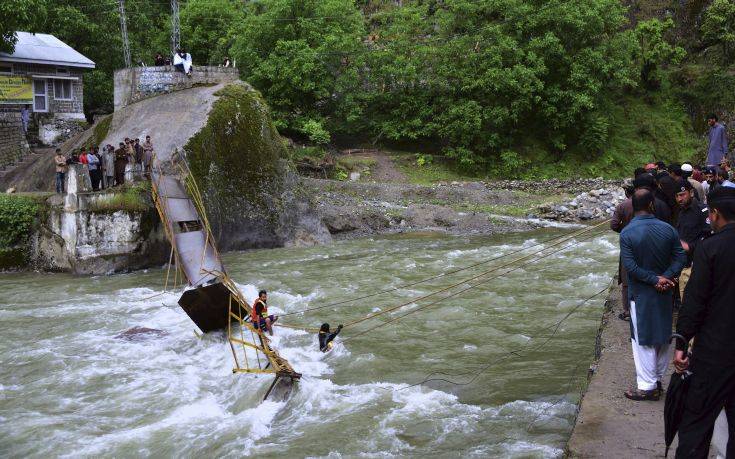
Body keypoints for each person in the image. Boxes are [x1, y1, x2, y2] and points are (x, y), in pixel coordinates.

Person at [673, 186, 735, 458]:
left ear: (716, 214)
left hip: (714, 351)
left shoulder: (710, 248)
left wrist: (682, 340)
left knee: (696, 424)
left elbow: (695, 301)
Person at [620, 189, 686, 401]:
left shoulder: (627, 233)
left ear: (633, 206)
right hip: (665, 292)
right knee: (662, 336)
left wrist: (653, 279)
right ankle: (656, 380)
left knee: (643, 339)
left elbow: (630, 266)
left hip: (641, 293)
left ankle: (647, 387)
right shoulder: (668, 229)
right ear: (651, 205)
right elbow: (680, 258)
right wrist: (665, 277)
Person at [673, 179, 710, 299]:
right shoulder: (681, 212)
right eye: (677, 196)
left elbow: (710, 237)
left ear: (691, 193)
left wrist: (690, 246)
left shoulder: (703, 210)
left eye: (682, 195)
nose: (679, 199)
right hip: (683, 265)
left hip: (698, 266)